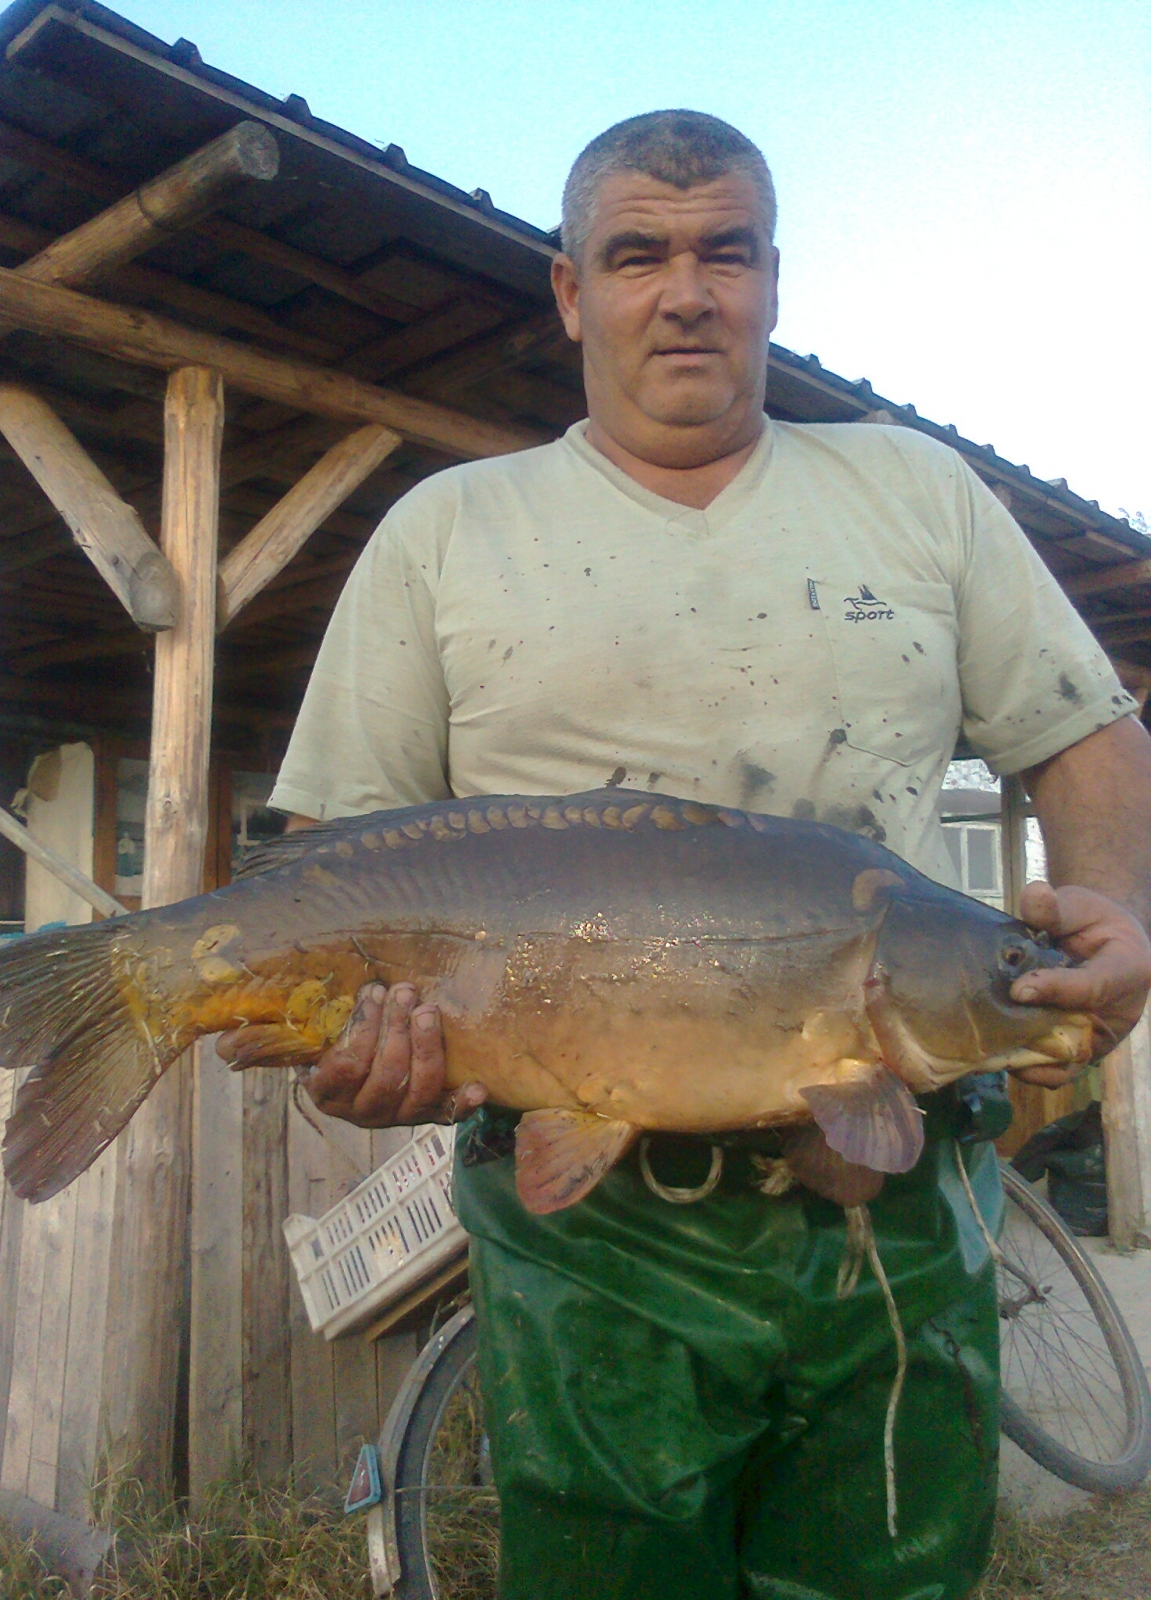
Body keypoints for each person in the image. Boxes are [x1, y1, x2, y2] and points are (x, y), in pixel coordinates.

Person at [240, 112, 1151, 1599]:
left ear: (774, 279)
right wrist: (357, 1051)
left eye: (725, 252)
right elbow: (336, 866)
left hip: (891, 1211)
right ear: (569, 292)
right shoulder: (446, 531)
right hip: (586, 1243)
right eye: (637, 255)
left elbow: (1091, 739)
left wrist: (1118, 910)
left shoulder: (917, 491)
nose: (685, 293)